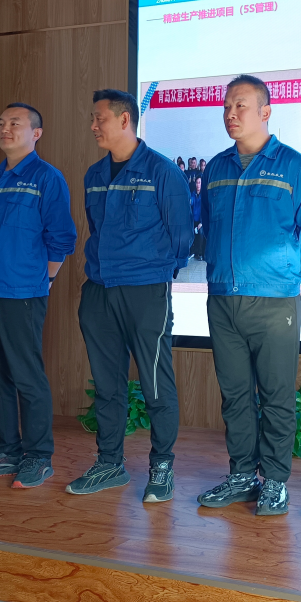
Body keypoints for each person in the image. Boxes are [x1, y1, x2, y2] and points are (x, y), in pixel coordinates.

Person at [196, 76, 301, 516]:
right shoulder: (216, 168)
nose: (231, 114)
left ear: (266, 112)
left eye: (241, 106)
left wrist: (283, 271)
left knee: (276, 396)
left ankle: (274, 481)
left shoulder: (294, 166)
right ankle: (241, 476)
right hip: (223, 298)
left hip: (274, 302)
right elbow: (209, 225)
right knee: (234, 395)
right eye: (226, 106)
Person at [66, 89, 192, 502]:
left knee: (156, 383)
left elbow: (182, 236)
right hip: (99, 291)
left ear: (124, 120)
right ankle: (109, 464)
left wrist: (153, 273)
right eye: (92, 118)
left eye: (99, 118)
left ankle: (162, 467)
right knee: (107, 385)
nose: (93, 126)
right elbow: (96, 229)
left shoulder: (161, 171)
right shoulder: (94, 175)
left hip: (146, 291)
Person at [0, 103, 77, 489]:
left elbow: (62, 238)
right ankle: (6, 449)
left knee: (27, 376)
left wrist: (46, 280)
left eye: (15, 123)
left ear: (36, 133)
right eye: (1, 123)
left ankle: (38, 456)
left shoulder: (47, 178)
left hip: (21, 292)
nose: (5, 129)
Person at [190, 176, 204, 260]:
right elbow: (191, 204)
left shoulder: (204, 195)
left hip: (201, 221)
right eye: (197, 182)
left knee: (201, 232)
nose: (198, 184)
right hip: (193, 220)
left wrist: (201, 223)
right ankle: (192, 252)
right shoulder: (193, 194)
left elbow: (204, 210)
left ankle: (199, 253)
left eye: (199, 183)